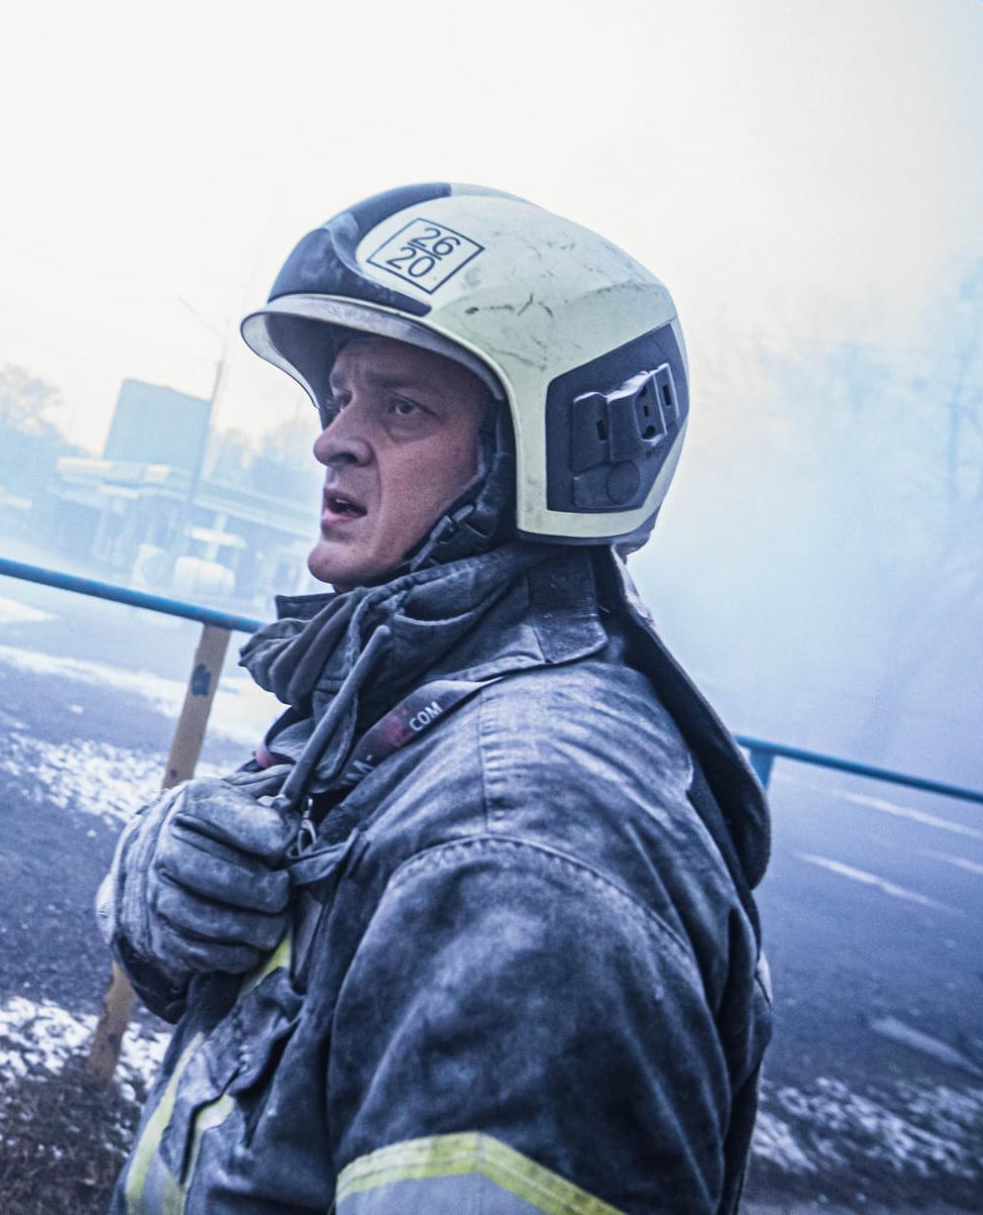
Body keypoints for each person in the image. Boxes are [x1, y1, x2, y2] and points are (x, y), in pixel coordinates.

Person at [97, 184, 772, 1213]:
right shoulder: (406, 700)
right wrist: (158, 893)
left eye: (401, 404)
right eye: (339, 396)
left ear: (544, 459)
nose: (332, 437)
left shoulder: (528, 839)